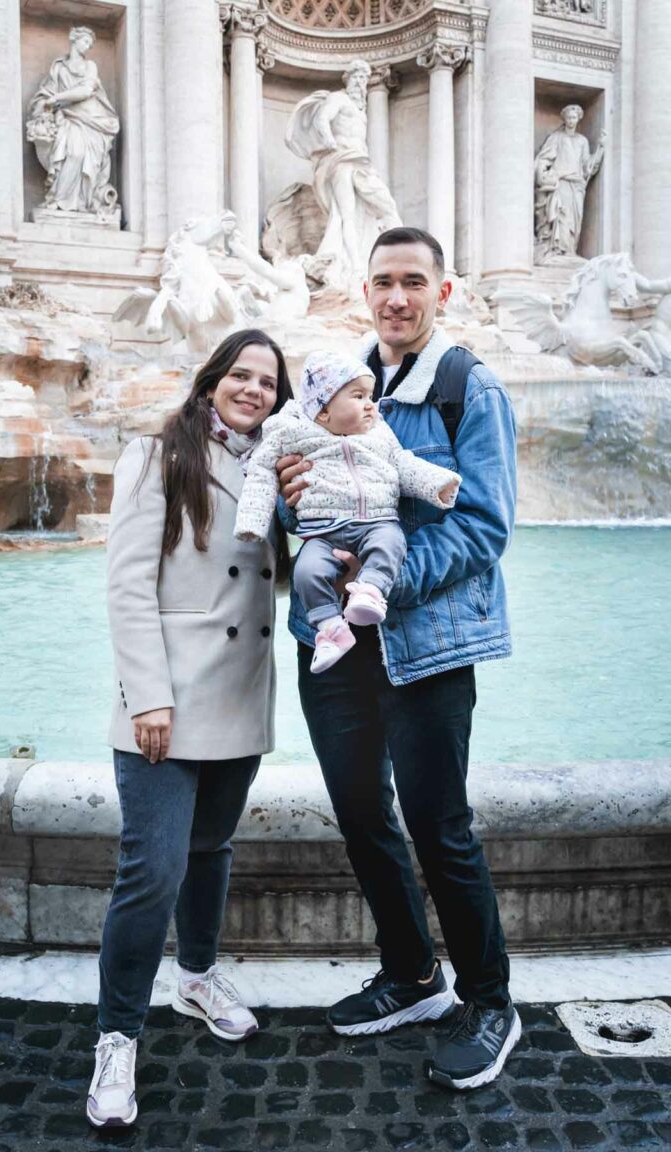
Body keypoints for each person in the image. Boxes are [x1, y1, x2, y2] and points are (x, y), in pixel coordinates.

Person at [278, 227, 520, 1091]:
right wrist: (291, 504)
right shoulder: (331, 386)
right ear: (364, 290)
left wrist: (384, 580)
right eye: (383, 281)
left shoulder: (467, 388)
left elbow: (486, 524)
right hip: (335, 644)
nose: (396, 298)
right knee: (360, 811)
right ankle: (413, 974)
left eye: (413, 282)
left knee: (436, 821)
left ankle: (489, 999)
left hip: (427, 643)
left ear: (441, 292)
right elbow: (297, 507)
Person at [87, 330, 293, 1129]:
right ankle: (116, 1036)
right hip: (167, 700)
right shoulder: (156, 453)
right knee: (152, 870)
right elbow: (128, 585)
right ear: (212, 379)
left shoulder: (272, 464)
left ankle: (198, 976)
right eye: (240, 374)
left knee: (210, 850)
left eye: (268, 381)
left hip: (241, 695)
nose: (252, 389)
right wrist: (147, 697)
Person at [235, 349, 460, 673]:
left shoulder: (378, 432)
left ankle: (369, 590)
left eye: (370, 395)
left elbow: (402, 463)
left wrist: (437, 484)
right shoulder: (289, 431)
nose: (371, 404)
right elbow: (261, 471)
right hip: (323, 532)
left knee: (390, 543)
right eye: (359, 397)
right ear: (323, 411)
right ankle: (330, 629)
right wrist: (253, 522)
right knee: (306, 572)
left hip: (375, 521)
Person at [285, 59, 400, 293]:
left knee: (386, 206)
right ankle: (356, 266)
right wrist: (329, 141)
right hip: (340, 162)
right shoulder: (339, 98)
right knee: (345, 214)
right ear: (348, 79)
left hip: (361, 163)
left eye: (364, 79)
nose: (360, 83)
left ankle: (396, 259)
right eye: (357, 77)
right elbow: (321, 118)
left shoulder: (361, 111)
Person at [26, 25, 120, 218]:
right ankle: (58, 201)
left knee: (79, 155)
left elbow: (86, 91)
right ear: (74, 40)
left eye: (90, 43)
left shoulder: (90, 66)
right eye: (85, 41)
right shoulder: (59, 67)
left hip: (90, 119)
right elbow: (47, 92)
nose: (87, 46)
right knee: (70, 153)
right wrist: (45, 103)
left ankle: (81, 203)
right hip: (66, 117)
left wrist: (57, 98)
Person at [534, 104, 606, 262]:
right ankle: (559, 250)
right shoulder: (556, 138)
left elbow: (588, 167)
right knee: (562, 217)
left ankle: (570, 251)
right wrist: (543, 175)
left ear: (578, 119)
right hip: (561, 183)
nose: (571, 121)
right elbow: (543, 159)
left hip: (577, 185)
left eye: (574, 118)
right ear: (564, 119)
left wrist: (600, 149)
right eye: (568, 118)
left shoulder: (582, 141)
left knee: (575, 220)